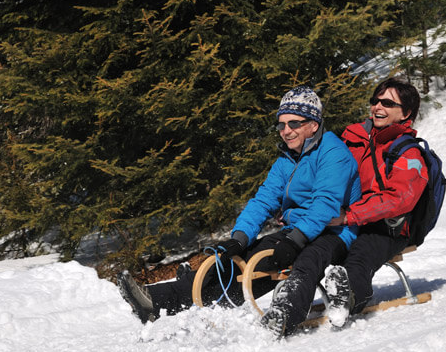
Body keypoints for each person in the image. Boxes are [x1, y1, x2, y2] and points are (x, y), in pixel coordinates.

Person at [119, 86, 361, 338]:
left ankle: (285, 313)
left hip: (333, 231)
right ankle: (158, 301)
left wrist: (296, 239)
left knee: (306, 260)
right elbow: (263, 200)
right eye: (281, 125)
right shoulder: (288, 160)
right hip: (297, 230)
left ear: (313, 124)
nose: (286, 131)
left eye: (294, 123)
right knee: (241, 260)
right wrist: (239, 238)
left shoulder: (333, 154)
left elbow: (325, 203)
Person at [322, 78, 428, 329]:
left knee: (359, 256)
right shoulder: (353, 139)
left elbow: (399, 199)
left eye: (388, 103)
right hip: (350, 219)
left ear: (406, 112)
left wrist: (349, 216)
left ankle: (350, 296)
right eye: (375, 101)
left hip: (389, 227)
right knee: (307, 245)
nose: (377, 107)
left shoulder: (409, 153)